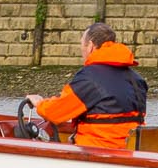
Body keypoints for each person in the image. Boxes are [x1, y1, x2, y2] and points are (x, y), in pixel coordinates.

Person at [26, 22, 148, 151]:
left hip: (98, 154)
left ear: (90, 46)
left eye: (82, 45)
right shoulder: (136, 80)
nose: (82, 51)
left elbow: (55, 112)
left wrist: (39, 103)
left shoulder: (90, 78)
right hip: (132, 152)